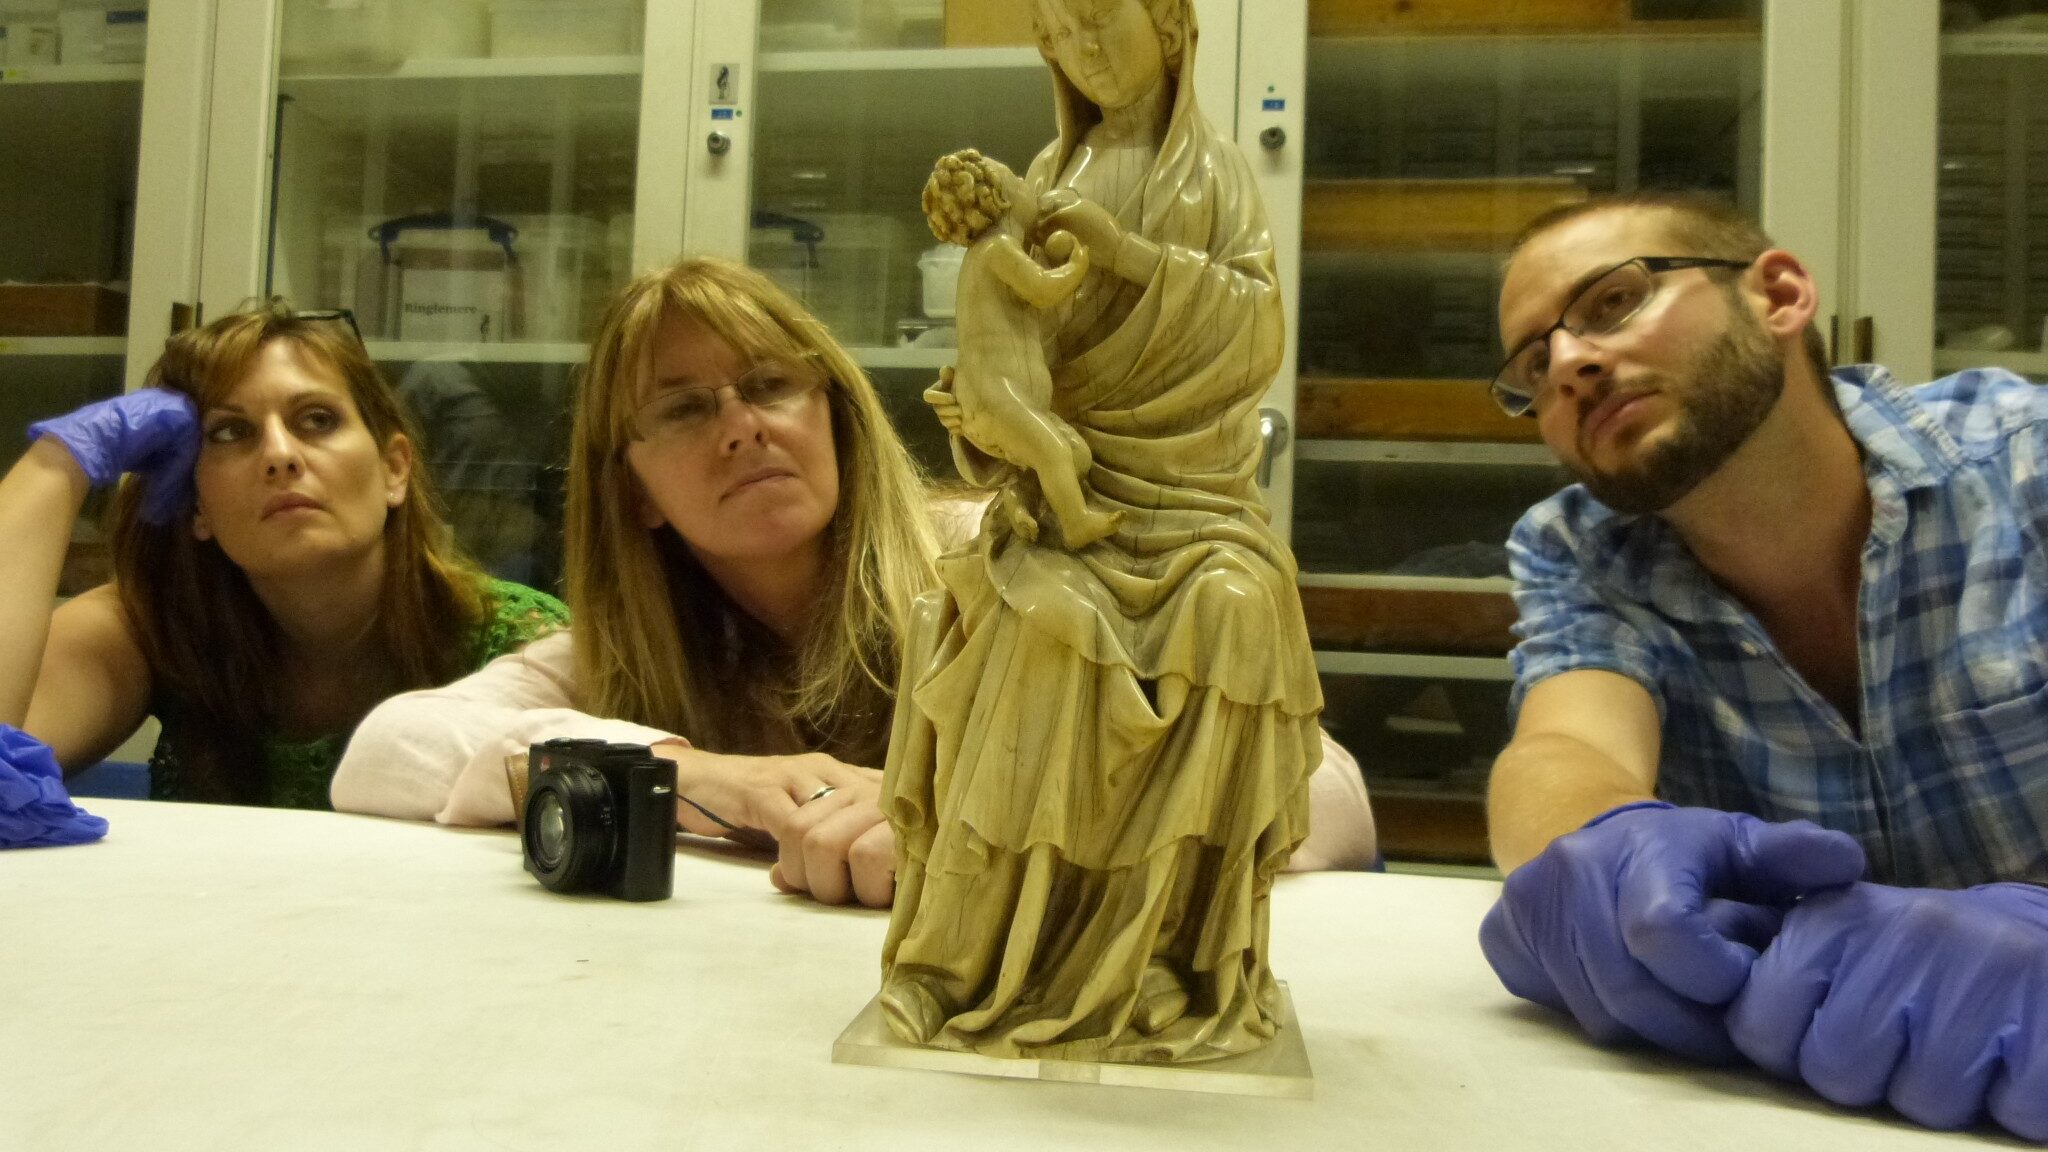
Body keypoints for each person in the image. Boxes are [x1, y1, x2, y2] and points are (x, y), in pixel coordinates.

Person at [329, 256, 1376, 907]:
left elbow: (1322, 791)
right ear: (636, 490)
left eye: (773, 385)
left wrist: (984, 810)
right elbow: (383, 755)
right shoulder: (625, 654)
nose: (742, 425)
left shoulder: (1001, 564)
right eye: (685, 409)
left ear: (830, 412)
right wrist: (690, 774)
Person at [1474, 191, 2048, 1140]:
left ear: (1777, 295)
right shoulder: (1581, 552)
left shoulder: (2026, 463)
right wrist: (1605, 852)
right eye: (1534, 366)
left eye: (1613, 303)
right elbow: (1563, 746)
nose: (1569, 364)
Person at [876, 0, 1339, 1062]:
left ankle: (1165, 958)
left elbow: (1254, 327)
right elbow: (1021, 366)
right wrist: (981, 432)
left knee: (1230, 611)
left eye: (1098, 20)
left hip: (1192, 507)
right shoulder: (1044, 179)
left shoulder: (1212, 178)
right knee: (1042, 631)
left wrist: (1128, 255)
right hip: (1068, 512)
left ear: (1172, 28)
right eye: (1056, 33)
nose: (1078, 48)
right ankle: (957, 962)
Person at [0, 303, 566, 808]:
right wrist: (60, 463)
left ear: (394, 468)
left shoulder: (523, 642)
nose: (279, 454)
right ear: (196, 502)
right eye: (230, 433)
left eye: (316, 420)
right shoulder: (153, 630)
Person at [919, 147, 1113, 548]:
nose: (1032, 189)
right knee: (1054, 451)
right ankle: (1076, 523)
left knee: (1073, 455)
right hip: (995, 395)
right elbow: (1044, 291)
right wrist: (1075, 268)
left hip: (1001, 397)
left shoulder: (996, 255)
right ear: (1003, 198)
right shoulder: (998, 250)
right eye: (1020, 182)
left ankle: (1018, 498)